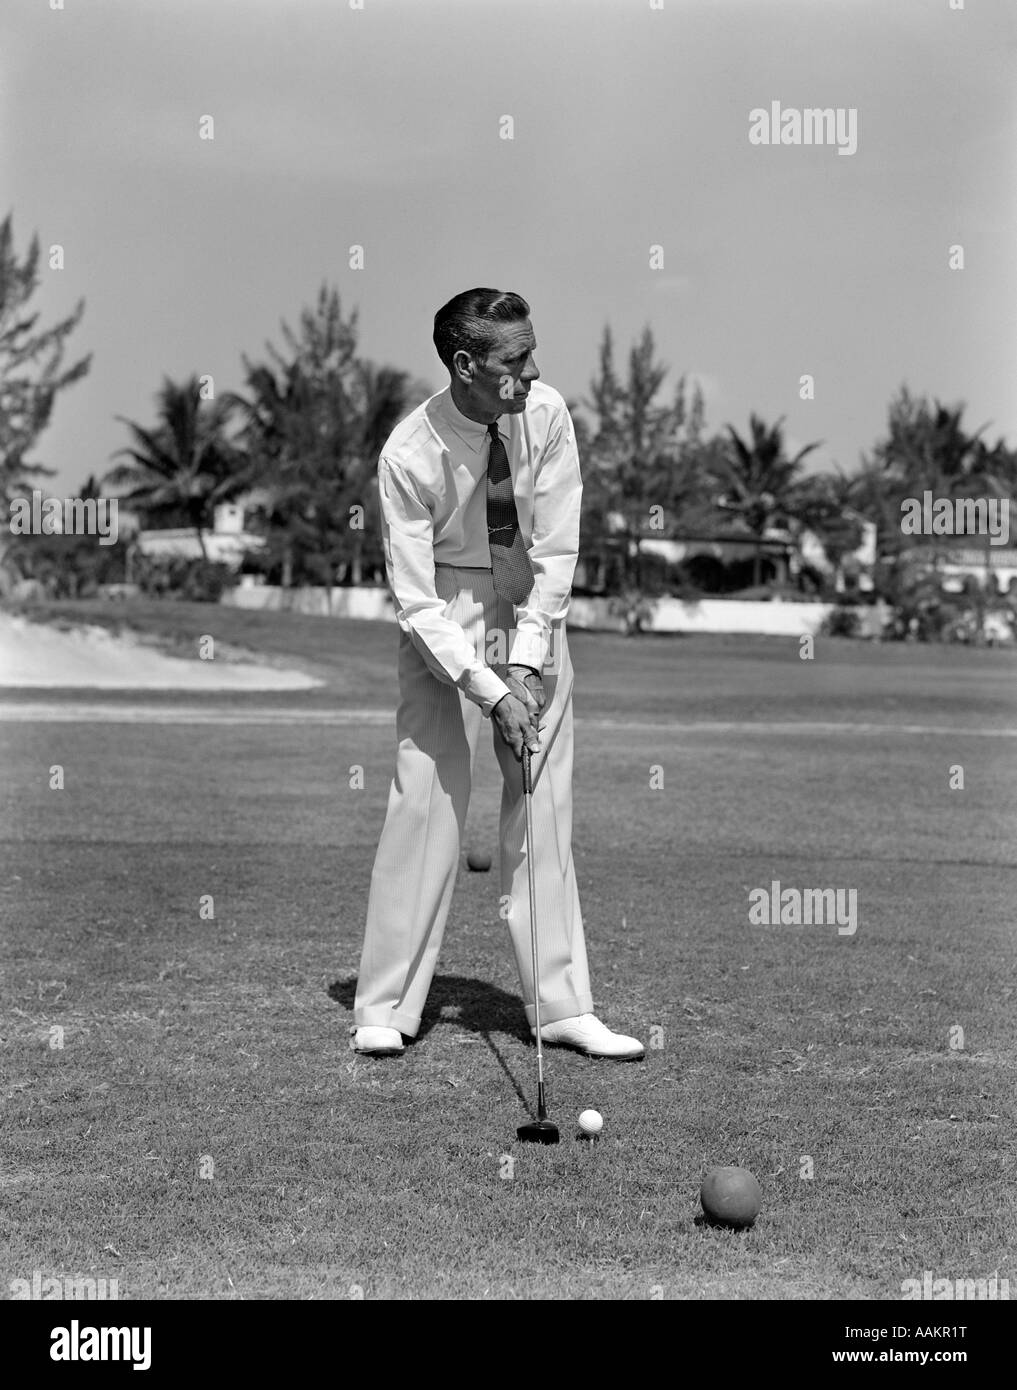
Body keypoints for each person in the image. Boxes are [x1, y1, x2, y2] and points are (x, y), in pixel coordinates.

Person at [352, 288, 643, 1061]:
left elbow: (555, 549)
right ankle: (385, 1004)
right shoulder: (408, 452)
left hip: (529, 608)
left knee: (541, 799)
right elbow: (414, 602)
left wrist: (524, 662)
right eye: (516, 359)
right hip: (445, 613)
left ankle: (560, 1005)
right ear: (465, 364)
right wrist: (486, 689)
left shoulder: (544, 412)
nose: (533, 368)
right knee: (427, 793)